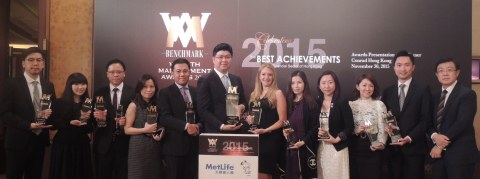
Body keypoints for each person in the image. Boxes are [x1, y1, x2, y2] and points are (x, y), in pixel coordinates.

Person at [0, 47, 56, 179]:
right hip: (17, 142)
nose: (35, 63)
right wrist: (28, 125)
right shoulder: (11, 84)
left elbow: (51, 110)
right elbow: (4, 113)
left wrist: (50, 115)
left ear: (43, 64)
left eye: (39, 60)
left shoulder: (48, 85)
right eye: (31, 60)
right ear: (23, 63)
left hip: (39, 142)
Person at [381, 50, 431, 179]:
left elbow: (426, 119)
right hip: (393, 150)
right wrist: (386, 127)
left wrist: (409, 137)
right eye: (399, 65)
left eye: (407, 65)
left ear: (413, 67)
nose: (403, 68)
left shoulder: (423, 89)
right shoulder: (387, 91)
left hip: (414, 149)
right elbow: (384, 117)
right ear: (394, 68)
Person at [427, 58, 478, 179]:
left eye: (449, 70)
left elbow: (462, 123)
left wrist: (439, 146)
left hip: (460, 156)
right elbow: (428, 121)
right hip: (438, 158)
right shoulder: (434, 96)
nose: (445, 73)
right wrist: (434, 135)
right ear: (436, 74)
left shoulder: (467, 94)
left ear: (457, 73)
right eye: (441, 70)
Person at [158, 58, 201, 179]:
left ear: (190, 72)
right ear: (172, 73)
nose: (182, 74)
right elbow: (164, 118)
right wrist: (186, 126)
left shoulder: (196, 91)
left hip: (194, 147)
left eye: (185, 71)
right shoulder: (165, 92)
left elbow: (202, 115)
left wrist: (198, 126)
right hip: (174, 149)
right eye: (178, 71)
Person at [92, 59, 134, 179]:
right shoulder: (99, 93)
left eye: (119, 72)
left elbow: (138, 117)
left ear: (124, 73)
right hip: (103, 145)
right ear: (107, 74)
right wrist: (98, 118)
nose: (115, 75)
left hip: (125, 145)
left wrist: (127, 121)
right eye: (112, 72)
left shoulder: (133, 92)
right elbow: (92, 121)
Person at [245, 63, 287, 179]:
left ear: (273, 77)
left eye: (270, 75)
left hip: (270, 139)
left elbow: (283, 120)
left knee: (264, 173)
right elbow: (254, 118)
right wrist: (250, 120)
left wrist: (266, 130)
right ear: (259, 76)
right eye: (263, 74)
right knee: (254, 173)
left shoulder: (277, 93)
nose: (266, 77)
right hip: (255, 138)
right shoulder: (254, 95)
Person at [48, 73, 93, 179]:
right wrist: (69, 123)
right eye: (76, 84)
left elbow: (90, 128)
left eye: (83, 84)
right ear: (69, 85)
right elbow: (52, 125)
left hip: (82, 145)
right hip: (63, 146)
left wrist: (87, 120)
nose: (80, 87)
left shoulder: (89, 103)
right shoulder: (59, 103)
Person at [197, 43, 247, 133]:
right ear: (213, 59)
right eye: (220, 57)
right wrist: (222, 126)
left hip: (236, 129)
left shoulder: (237, 80)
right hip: (215, 131)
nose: (224, 60)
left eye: (227, 57)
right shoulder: (205, 80)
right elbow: (203, 110)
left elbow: (244, 102)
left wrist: (241, 107)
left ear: (231, 59)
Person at [348, 74, 387, 179]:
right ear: (358, 87)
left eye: (371, 85)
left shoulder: (379, 104)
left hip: (373, 146)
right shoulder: (350, 105)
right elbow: (347, 127)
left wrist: (381, 143)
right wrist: (356, 130)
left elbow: (383, 126)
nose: (367, 88)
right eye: (364, 85)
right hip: (355, 146)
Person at [124, 74, 163, 179]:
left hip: (154, 149)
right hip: (138, 149)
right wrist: (144, 130)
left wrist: (159, 133)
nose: (149, 90)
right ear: (139, 88)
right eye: (145, 87)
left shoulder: (157, 105)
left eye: (152, 86)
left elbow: (161, 125)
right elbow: (127, 130)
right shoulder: (133, 105)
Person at [316, 70, 353, 179]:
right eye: (323, 83)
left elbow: (350, 127)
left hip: (337, 148)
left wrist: (336, 139)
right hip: (321, 148)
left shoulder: (342, 102)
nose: (327, 86)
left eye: (330, 82)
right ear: (319, 85)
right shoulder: (316, 102)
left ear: (336, 84)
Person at [283, 70, 319, 179]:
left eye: (299, 82)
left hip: (305, 148)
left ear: (305, 84)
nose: (296, 86)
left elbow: (315, 126)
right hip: (290, 148)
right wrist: (284, 132)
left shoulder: (311, 102)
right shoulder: (288, 102)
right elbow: (285, 122)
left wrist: (304, 141)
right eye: (293, 83)